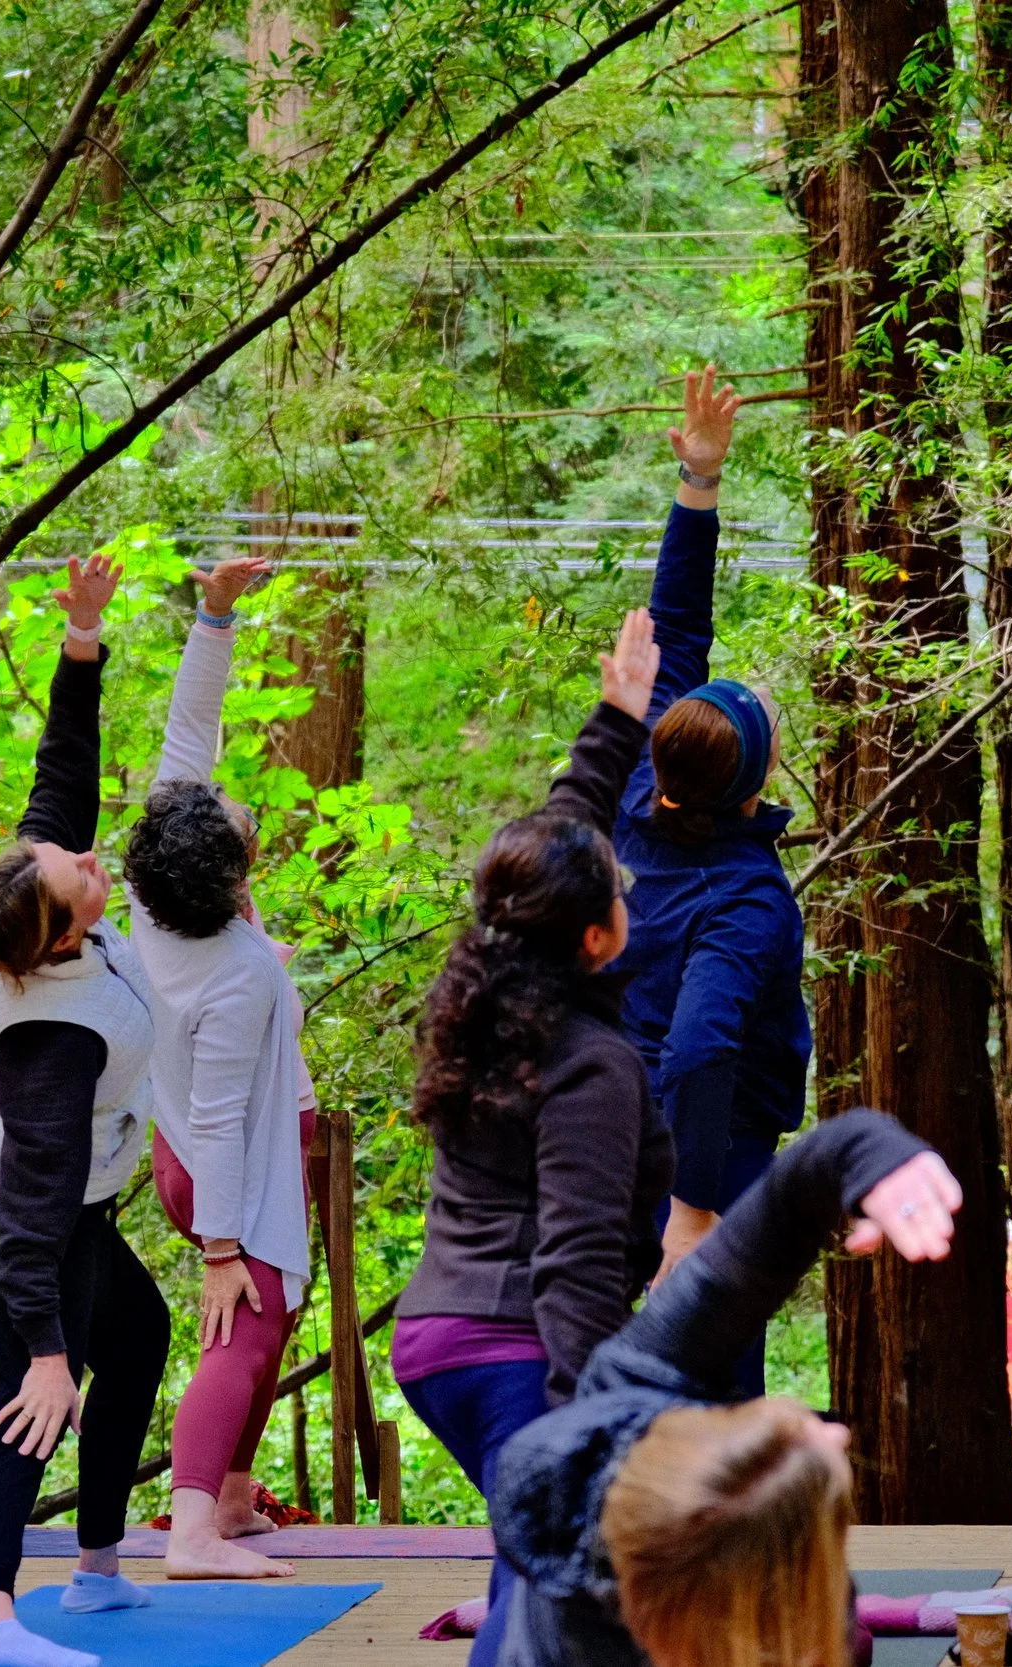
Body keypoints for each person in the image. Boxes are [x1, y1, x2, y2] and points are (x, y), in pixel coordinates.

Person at [394, 606, 671, 1667]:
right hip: (515, 1352)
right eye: (616, 886)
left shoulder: (486, 979)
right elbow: (577, 1254)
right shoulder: (586, 1064)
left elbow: (557, 835)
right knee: (546, 1590)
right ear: (596, 936)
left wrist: (615, 720)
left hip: (442, 1335)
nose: (625, 883)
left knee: (539, 1571)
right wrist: (579, 1418)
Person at [490, 1110, 963, 1667]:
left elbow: (791, 1199)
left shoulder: (627, 1389)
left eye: (742, 1425)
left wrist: (875, 1157)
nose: (832, 1435)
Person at [0, 552, 173, 1667]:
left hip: (68, 1206)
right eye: (76, 875)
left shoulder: (37, 908)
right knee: (29, 1406)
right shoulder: (51, 1042)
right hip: (27, 1221)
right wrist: (41, 1344)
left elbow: (59, 779)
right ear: (64, 933)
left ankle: (94, 1571)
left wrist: (81, 639)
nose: (86, 858)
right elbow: (31, 1211)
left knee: (138, 1333)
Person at [610, 368, 808, 1397]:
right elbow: (701, 1042)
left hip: (614, 1128)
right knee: (718, 1384)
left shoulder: (641, 783)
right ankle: (717, 1554)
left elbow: (675, 629)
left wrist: (699, 479)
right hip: (708, 1151)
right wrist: (694, 1201)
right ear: (754, 780)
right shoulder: (745, 897)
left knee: (645, 1371)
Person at [125, 554, 312, 1581]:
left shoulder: (162, 893)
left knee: (275, 1314)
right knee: (243, 1324)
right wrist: (222, 1246)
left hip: (204, 1150)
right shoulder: (235, 970)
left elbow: (186, 738)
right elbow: (233, 1108)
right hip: (228, 1160)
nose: (237, 806)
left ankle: (231, 1498)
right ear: (235, 872)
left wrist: (216, 615)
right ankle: (192, 1528)